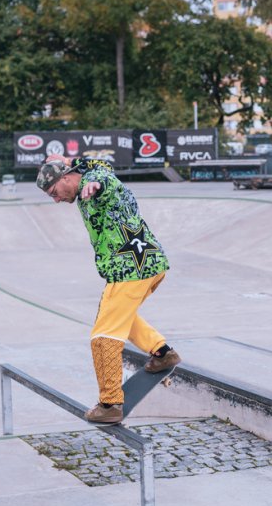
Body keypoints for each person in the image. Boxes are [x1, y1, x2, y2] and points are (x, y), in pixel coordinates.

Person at [36, 155, 181, 424]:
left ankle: (110, 403)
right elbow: (102, 164)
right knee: (116, 317)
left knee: (103, 337)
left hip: (131, 271)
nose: (56, 200)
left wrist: (94, 186)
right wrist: (73, 159)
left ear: (66, 178)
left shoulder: (96, 184)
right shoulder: (90, 173)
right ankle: (162, 353)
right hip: (148, 265)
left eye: (55, 192)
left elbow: (102, 178)